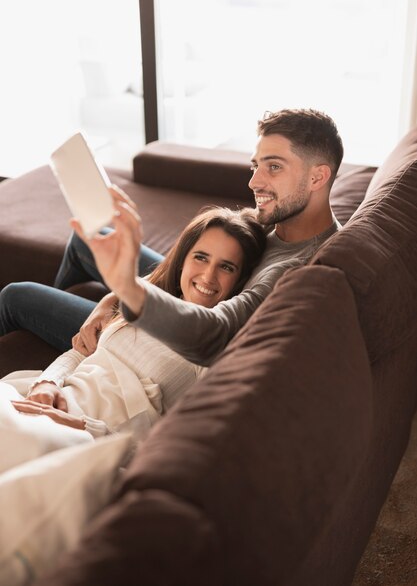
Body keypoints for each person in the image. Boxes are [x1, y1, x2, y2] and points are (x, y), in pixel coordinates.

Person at [0, 108, 343, 410]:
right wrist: (108, 301)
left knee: (15, 296)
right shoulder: (278, 220)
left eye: (274, 167)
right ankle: (78, 342)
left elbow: (214, 333)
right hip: (186, 296)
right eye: (256, 166)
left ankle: (75, 349)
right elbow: (196, 259)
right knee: (85, 240)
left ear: (317, 177)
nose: (254, 181)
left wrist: (126, 290)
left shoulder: (296, 269)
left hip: (165, 348)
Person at [1, 207, 266, 448]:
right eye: (200, 258)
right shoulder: (153, 300)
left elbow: (161, 449)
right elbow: (83, 353)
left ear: (241, 280)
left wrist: (84, 427)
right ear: (183, 259)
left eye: (226, 267)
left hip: (82, 436)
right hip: (53, 394)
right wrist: (47, 382)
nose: (208, 276)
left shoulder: (209, 352)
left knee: (16, 297)